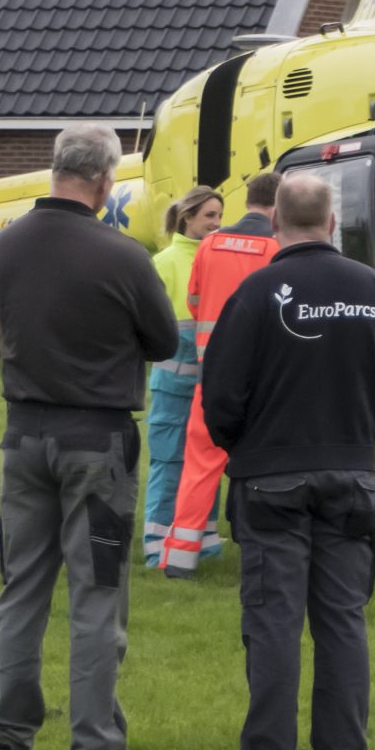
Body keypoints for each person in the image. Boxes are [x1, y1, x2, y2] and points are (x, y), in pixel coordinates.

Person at [199, 175, 375, 750]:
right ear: (332, 223)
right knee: (342, 618)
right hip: (350, 476)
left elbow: (218, 396)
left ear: (274, 223)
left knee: (273, 621)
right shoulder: (372, 290)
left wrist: (248, 443)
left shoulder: (257, 292)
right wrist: (357, 433)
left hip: (270, 478)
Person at [0, 124, 177, 750]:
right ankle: (95, 746)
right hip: (97, 440)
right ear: (105, 179)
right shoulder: (123, 256)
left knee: (22, 589)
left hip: (23, 437)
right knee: (95, 596)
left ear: (55, 167)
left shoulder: (3, 248)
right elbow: (165, 342)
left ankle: (9, 733)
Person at [158, 171, 281, 579]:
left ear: (247, 201)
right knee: (267, 468)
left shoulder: (210, 245)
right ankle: (264, 553)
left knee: (198, 467)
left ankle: (177, 560)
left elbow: (194, 302)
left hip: (212, 379)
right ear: (277, 205)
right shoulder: (277, 249)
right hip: (264, 382)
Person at [144, 185, 225, 566]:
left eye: (219, 216)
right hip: (173, 388)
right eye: (210, 215)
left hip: (210, 387)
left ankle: (203, 543)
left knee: (209, 465)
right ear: (187, 217)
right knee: (169, 463)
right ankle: (157, 546)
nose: (217, 224)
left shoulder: (218, 259)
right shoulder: (164, 262)